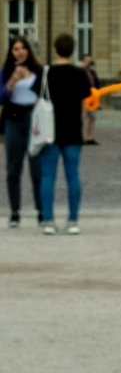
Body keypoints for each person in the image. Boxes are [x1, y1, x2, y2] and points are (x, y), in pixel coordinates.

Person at [36, 33, 93, 235]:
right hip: (72, 130)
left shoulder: (45, 73)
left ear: (55, 49)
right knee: (73, 176)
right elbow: (85, 101)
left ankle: (48, 220)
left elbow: (37, 98)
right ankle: (73, 220)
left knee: (47, 176)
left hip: (50, 131)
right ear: (73, 50)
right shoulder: (80, 74)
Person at [2, 34, 44, 227]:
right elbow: (1, 97)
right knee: (13, 169)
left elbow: (45, 94)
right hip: (13, 119)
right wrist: (11, 81)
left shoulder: (38, 70)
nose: (20, 52)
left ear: (28, 50)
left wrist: (31, 83)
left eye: (23, 48)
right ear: (11, 52)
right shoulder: (6, 71)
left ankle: (41, 211)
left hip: (33, 119)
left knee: (37, 169)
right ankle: (14, 212)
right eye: (16, 49)